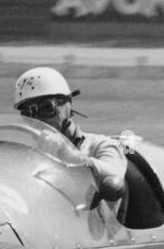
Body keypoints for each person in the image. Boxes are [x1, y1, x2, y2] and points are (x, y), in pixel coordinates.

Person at [13, 66, 127, 200]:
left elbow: (115, 176)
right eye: (27, 114)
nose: (36, 119)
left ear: (66, 105)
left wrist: (67, 154)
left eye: (46, 108)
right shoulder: (24, 154)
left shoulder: (101, 145)